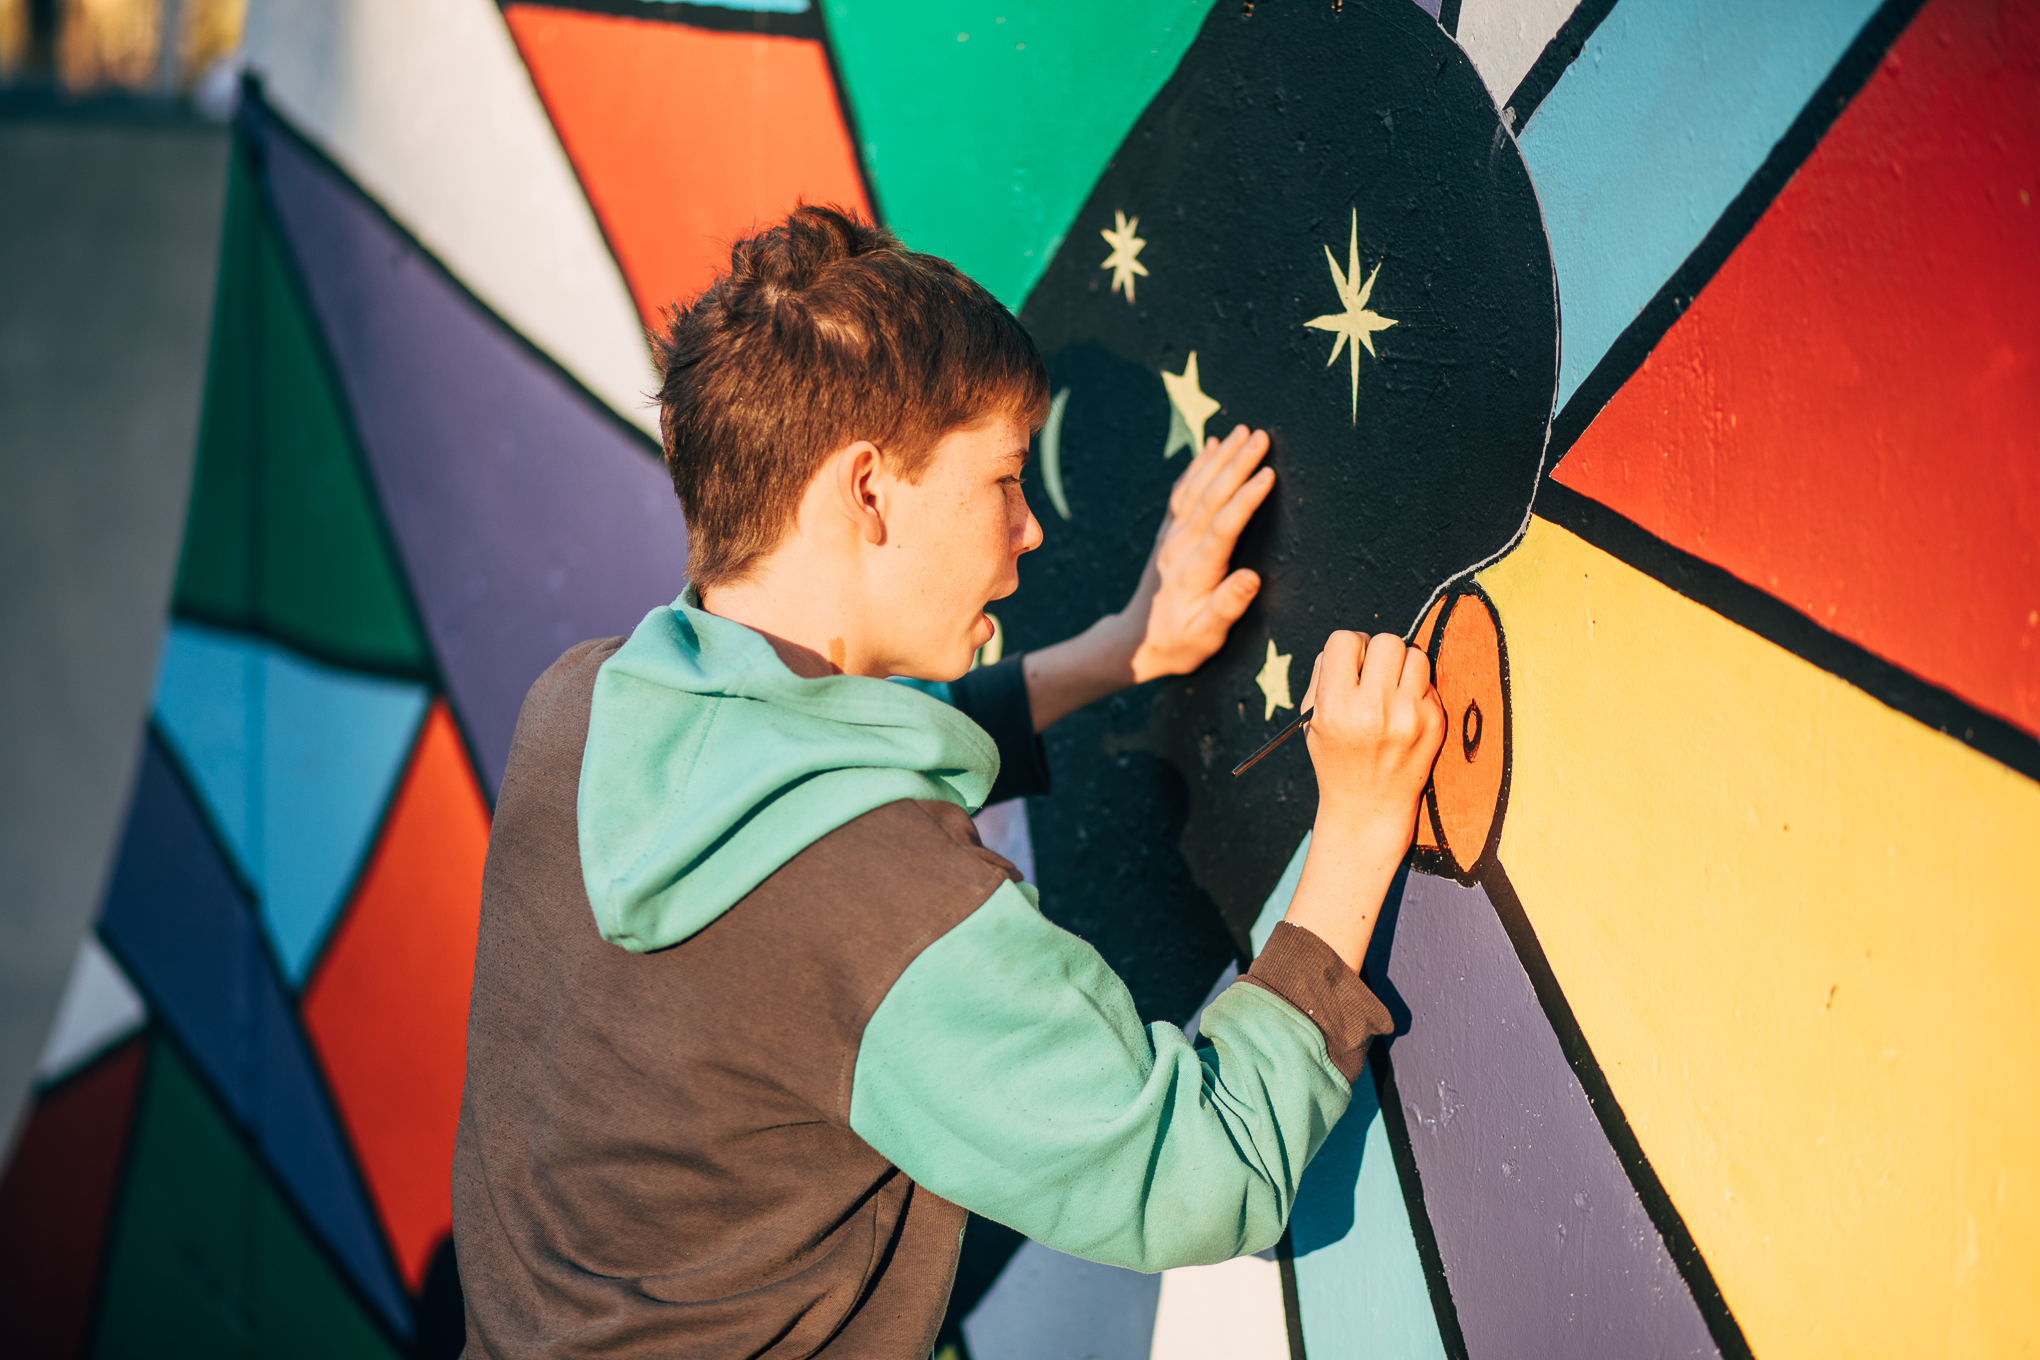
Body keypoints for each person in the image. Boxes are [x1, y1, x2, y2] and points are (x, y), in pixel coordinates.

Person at [451, 205, 1446, 1359]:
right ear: (869, 491)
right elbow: (1199, 1173)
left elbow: (814, 770)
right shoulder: (896, 915)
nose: (1028, 531)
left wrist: (1127, 648)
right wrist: (1365, 825)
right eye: (1004, 478)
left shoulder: (575, 712)